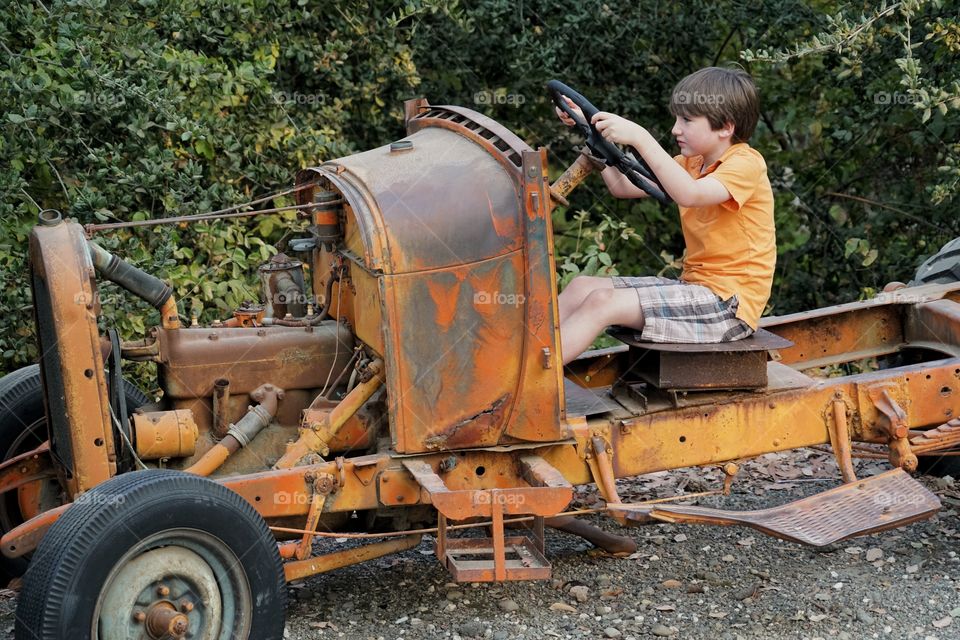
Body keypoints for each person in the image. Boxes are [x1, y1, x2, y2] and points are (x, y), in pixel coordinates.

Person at [555, 66, 775, 365]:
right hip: (696, 290)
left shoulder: (746, 164)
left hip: (728, 308)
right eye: (676, 119)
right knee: (583, 287)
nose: (675, 129)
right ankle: (513, 358)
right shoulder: (690, 163)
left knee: (601, 303)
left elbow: (690, 194)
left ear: (725, 127)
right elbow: (623, 186)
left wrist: (640, 137)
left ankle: (528, 382)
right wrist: (587, 131)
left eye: (686, 120)